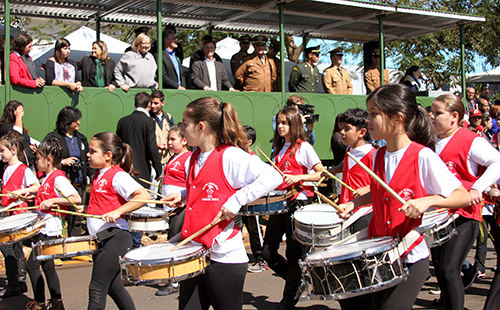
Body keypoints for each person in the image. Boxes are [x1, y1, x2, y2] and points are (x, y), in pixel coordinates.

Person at [337, 84, 470, 310]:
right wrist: (354, 202)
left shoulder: (422, 156)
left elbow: (462, 196)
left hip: (409, 256)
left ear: (397, 118)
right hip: (379, 255)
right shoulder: (378, 155)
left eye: (374, 113)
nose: (368, 119)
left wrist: (428, 200)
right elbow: (383, 191)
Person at [163, 97, 282, 309]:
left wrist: (236, 201)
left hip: (223, 255)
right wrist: (182, 195)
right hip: (194, 250)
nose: (182, 129)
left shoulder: (231, 156)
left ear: (200, 127)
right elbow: (206, 187)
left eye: (184, 123)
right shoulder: (193, 157)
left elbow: (273, 177)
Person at [430, 93, 500, 310]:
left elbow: (497, 162)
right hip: (437, 214)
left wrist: (479, 186)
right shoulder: (431, 141)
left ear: (454, 117)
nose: (432, 116)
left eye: (437, 113)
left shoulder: (470, 140)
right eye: (431, 112)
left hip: (464, 214)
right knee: (442, 270)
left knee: (451, 269)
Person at [262, 106, 324, 310]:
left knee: (294, 253)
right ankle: (297, 281)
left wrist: (299, 177)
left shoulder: (304, 147)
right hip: (280, 203)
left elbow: (320, 173)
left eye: (285, 123)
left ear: (294, 124)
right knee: (268, 252)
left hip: (298, 202)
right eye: (278, 122)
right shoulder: (279, 148)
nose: (280, 126)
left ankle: (288, 300)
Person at [84, 132, 149, 310]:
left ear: (108, 156)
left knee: (96, 287)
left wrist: (118, 211)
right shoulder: (98, 175)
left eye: (92, 151)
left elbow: (143, 195)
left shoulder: (117, 175)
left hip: (115, 237)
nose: (88, 155)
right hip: (100, 239)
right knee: (114, 288)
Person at [326, 108, 375, 310]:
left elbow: (383, 183)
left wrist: (367, 187)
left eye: (347, 129)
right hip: (346, 211)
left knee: (360, 262)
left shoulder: (374, 154)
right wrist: (329, 171)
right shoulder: (349, 151)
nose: (342, 133)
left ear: (362, 132)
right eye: (341, 129)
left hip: (364, 213)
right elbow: (344, 166)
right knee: (346, 262)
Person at [26, 137, 83, 310]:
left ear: (48, 160)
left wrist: (52, 201)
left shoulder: (58, 178)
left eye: (38, 159)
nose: (36, 162)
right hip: (44, 226)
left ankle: (40, 303)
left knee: (31, 265)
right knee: (48, 266)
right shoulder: (47, 178)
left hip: (50, 228)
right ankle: (57, 304)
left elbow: (76, 198)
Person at [0, 131, 40, 300]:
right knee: (15, 248)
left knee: (8, 247)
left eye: (2, 150)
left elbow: (36, 186)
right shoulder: (6, 168)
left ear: (13, 150)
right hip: (7, 211)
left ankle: (14, 283)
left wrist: (21, 191)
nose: (0, 154)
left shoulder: (22, 169)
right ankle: (20, 280)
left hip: (17, 213)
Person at [43, 106, 92, 239]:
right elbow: (43, 158)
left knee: (77, 217)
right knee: (61, 217)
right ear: (67, 122)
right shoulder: (53, 138)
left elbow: (87, 162)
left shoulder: (81, 139)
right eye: (75, 120)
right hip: (62, 184)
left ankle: (73, 245)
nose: (79, 123)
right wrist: (62, 162)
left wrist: (92, 176)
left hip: (79, 184)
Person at [156, 123, 191, 296]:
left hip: (181, 208)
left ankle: (175, 281)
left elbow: (191, 185)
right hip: (172, 208)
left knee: (175, 243)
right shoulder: (173, 158)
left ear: (184, 140)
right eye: (168, 139)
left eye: (173, 139)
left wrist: (184, 201)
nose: (169, 143)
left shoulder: (188, 158)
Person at [242, 125, 268, 273]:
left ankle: (261, 259)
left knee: (254, 230)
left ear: (249, 141)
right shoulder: (236, 156)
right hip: (238, 201)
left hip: (251, 201)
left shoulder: (253, 159)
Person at [0, 100, 37, 171]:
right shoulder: (5, 127)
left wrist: (32, 148)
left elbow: (24, 140)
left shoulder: (20, 126)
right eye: (21, 111)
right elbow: (16, 136)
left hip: (28, 166)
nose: (23, 113)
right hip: (15, 167)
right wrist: (18, 117)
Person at [330, 113, 348, 196]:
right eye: (341, 123)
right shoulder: (336, 135)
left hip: (346, 168)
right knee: (339, 193)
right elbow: (342, 145)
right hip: (339, 167)